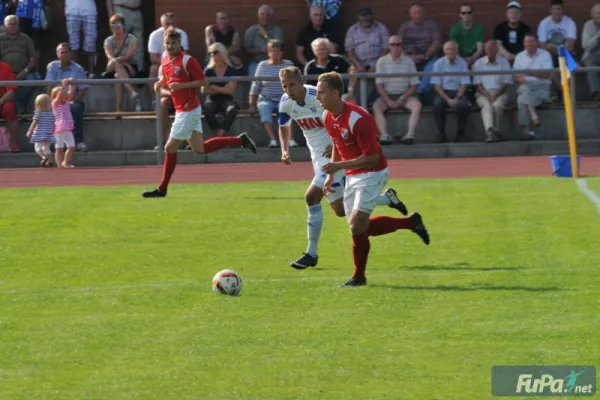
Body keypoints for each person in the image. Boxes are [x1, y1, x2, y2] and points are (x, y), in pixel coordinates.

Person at [278, 66, 408, 269]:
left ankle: (311, 254)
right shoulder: (286, 102)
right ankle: (387, 199)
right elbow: (283, 125)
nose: (288, 90)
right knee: (339, 210)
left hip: (333, 156)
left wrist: (337, 143)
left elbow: (340, 115)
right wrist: (285, 149)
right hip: (318, 157)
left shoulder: (318, 96)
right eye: (284, 86)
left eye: (292, 85)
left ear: (301, 81)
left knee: (311, 196)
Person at [316, 71, 430, 287]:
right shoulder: (327, 116)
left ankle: (359, 277)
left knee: (357, 224)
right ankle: (410, 222)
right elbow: (339, 147)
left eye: (321, 92)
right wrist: (332, 176)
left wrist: (338, 166)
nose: (318, 97)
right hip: (352, 175)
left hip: (373, 173)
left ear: (334, 92)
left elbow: (372, 157)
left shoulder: (359, 119)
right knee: (358, 228)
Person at [142, 27, 257, 198]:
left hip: (188, 109)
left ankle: (162, 188)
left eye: (174, 43)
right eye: (167, 43)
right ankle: (240, 140)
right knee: (200, 149)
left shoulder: (188, 60)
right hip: (185, 109)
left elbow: (203, 82)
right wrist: (160, 82)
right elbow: (167, 77)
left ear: (180, 43)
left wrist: (181, 86)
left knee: (169, 147)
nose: (170, 46)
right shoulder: (165, 58)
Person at [51, 78, 77, 168]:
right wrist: (63, 86)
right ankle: (59, 166)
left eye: (63, 95)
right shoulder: (55, 103)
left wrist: (71, 82)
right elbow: (59, 96)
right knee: (59, 148)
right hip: (59, 128)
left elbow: (71, 91)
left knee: (71, 147)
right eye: (60, 95)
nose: (63, 96)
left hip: (67, 127)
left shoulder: (66, 102)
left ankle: (65, 162)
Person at [26, 93, 55, 167]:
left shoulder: (39, 113)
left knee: (39, 148)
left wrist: (30, 131)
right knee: (43, 148)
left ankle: (46, 159)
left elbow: (34, 123)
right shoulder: (51, 114)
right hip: (45, 134)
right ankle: (48, 160)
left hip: (41, 133)